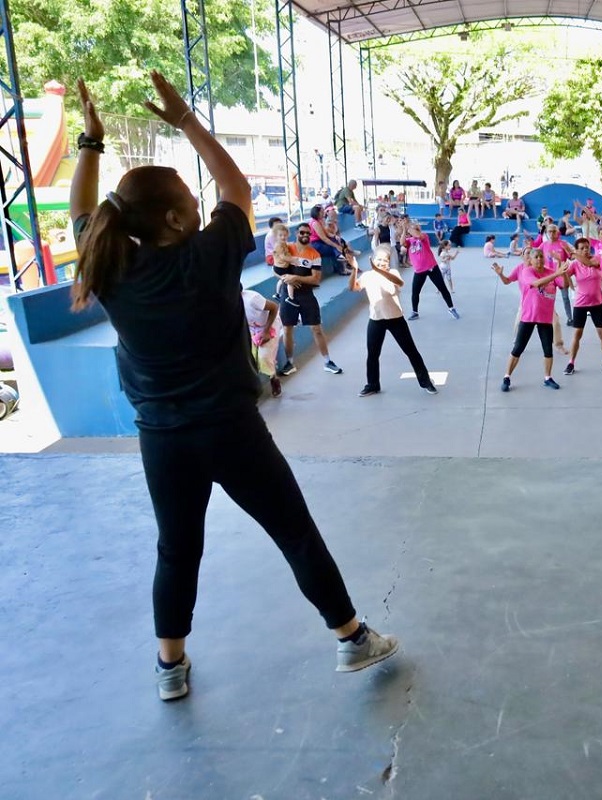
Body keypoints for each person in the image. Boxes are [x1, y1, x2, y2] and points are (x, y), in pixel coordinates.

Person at [69, 74, 396, 701]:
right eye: (190, 201)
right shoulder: (209, 254)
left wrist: (91, 141)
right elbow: (235, 186)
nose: (200, 205)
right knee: (294, 531)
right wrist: (187, 121)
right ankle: (352, 640)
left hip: (162, 437)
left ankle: (170, 667)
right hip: (231, 430)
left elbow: (90, 211)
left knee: (177, 549)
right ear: (173, 216)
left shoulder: (112, 265)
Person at [349, 245, 438, 397]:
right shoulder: (368, 276)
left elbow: (397, 285)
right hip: (376, 319)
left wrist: (380, 271)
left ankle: (426, 382)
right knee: (372, 354)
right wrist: (354, 269)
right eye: (379, 259)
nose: (382, 262)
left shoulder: (393, 273)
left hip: (395, 319)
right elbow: (353, 287)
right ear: (372, 259)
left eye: (385, 260)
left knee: (411, 351)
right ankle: (372, 385)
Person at [492, 250, 568, 391]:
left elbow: (565, 285)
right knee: (518, 348)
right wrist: (557, 273)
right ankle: (507, 377)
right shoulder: (526, 271)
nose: (539, 259)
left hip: (545, 317)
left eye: (541, 256)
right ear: (530, 260)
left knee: (548, 350)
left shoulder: (550, 271)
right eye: (536, 257)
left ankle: (548, 378)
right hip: (529, 316)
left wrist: (562, 269)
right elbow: (536, 283)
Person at [277, 223, 343, 376]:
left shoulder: (314, 255)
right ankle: (290, 363)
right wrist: (285, 278)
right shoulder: (287, 248)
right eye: (302, 232)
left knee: (316, 329)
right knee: (287, 329)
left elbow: (315, 279)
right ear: (296, 233)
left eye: (308, 233)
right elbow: (278, 269)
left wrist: (296, 277)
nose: (305, 235)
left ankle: (328, 361)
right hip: (287, 294)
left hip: (306, 295)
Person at [562, 238, 602, 376]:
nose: (585, 250)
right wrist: (563, 269)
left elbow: (588, 262)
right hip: (580, 304)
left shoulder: (596, 259)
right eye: (581, 248)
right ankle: (571, 363)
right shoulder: (574, 264)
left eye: (586, 247)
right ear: (577, 249)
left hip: (597, 303)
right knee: (577, 335)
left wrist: (574, 254)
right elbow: (563, 280)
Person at [405, 221, 458, 321]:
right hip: (419, 271)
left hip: (431, 267)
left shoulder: (424, 236)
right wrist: (404, 229)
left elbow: (418, 235)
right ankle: (415, 312)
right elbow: (402, 242)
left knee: (442, 288)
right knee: (415, 292)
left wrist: (409, 226)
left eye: (416, 228)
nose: (415, 229)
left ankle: (451, 308)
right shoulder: (409, 241)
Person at [242, 288, 283, 398]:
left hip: (269, 324)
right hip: (252, 328)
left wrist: (265, 332)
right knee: (250, 356)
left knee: (264, 356)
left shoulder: (252, 299)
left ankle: (273, 378)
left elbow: (274, 307)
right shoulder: (229, 304)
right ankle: (253, 385)